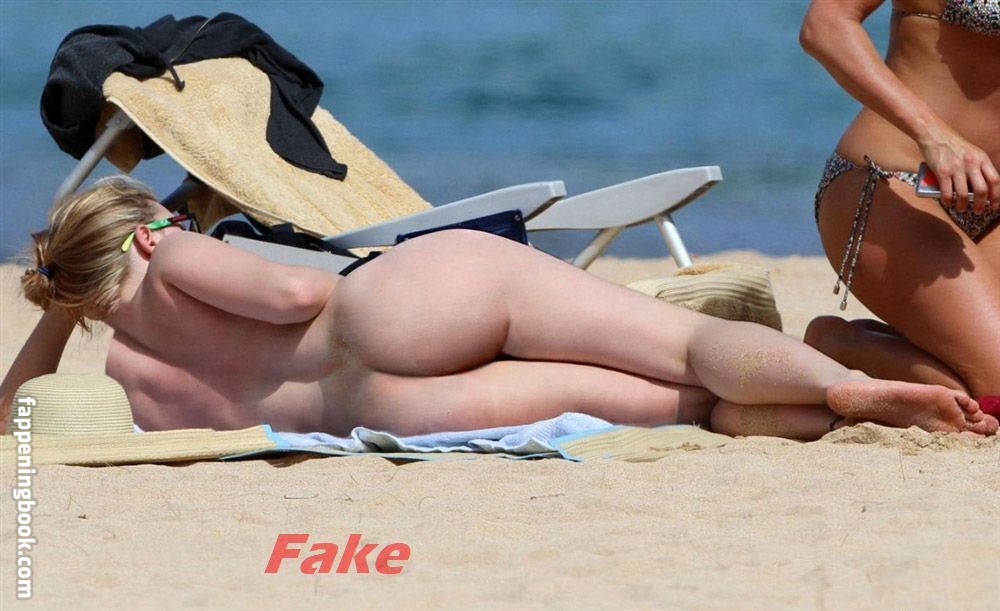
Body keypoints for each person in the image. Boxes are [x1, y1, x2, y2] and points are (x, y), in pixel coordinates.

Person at [1, 177, 996, 440]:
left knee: (688, 408)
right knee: (686, 342)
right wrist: (183, 240)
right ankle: (846, 383)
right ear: (139, 233)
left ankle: (830, 414)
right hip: (389, 312)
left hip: (379, 409)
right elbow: (302, 290)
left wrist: (56, 311)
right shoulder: (172, 256)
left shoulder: (130, 372)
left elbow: (12, 413)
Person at [799, 1, 1000, 405]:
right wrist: (933, 134)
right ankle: (843, 344)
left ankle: (887, 349)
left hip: (990, 200)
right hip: (894, 184)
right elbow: (825, 25)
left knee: (979, 379)